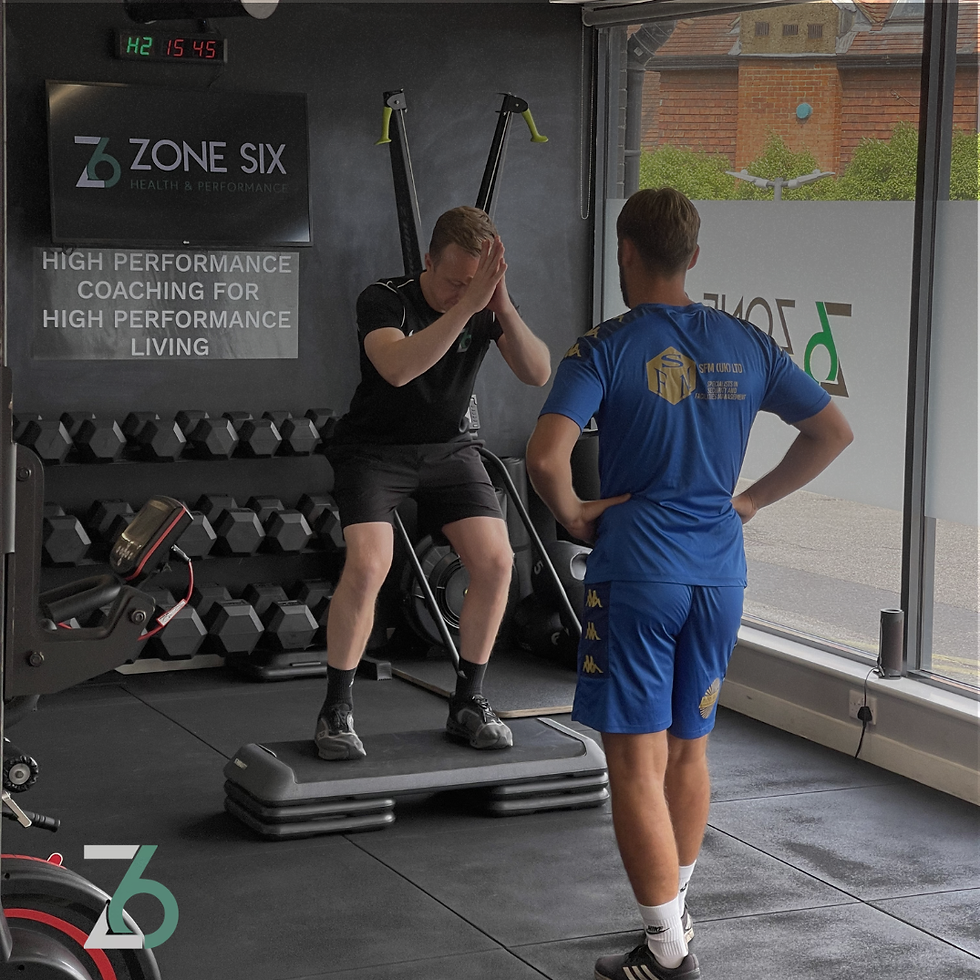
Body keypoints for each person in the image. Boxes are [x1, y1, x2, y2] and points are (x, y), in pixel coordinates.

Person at [525, 187, 853, 980]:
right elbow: (832, 431)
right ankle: (671, 923)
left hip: (639, 572)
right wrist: (747, 502)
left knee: (632, 763)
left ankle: (668, 948)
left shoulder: (602, 346)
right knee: (689, 752)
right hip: (718, 576)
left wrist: (573, 514)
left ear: (624, 252)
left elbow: (544, 456)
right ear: (695, 258)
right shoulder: (747, 342)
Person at [316, 206, 551, 761]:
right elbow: (397, 368)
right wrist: (468, 306)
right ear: (428, 260)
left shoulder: (484, 300)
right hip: (374, 452)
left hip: (450, 450)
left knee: (497, 563)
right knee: (371, 563)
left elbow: (537, 371)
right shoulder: (384, 298)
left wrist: (501, 308)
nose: (460, 292)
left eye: (473, 282)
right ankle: (337, 709)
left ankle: (469, 701)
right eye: (451, 281)